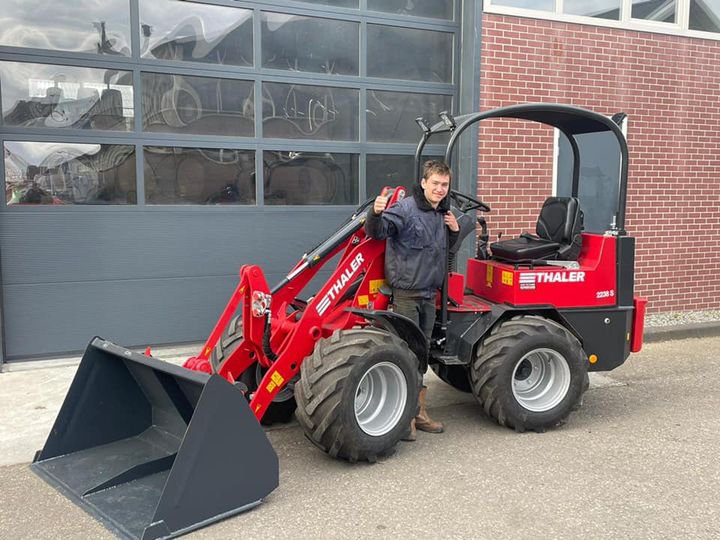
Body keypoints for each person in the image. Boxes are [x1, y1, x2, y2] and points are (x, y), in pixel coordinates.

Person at [365, 159, 459, 441]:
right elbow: (377, 232)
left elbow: (442, 253)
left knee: (421, 354)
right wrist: (375, 213)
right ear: (424, 183)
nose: (440, 189)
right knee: (405, 353)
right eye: (435, 184)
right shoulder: (405, 209)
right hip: (406, 295)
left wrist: (453, 233)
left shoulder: (442, 213)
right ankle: (405, 419)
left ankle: (419, 413)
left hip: (429, 294)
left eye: (444, 185)